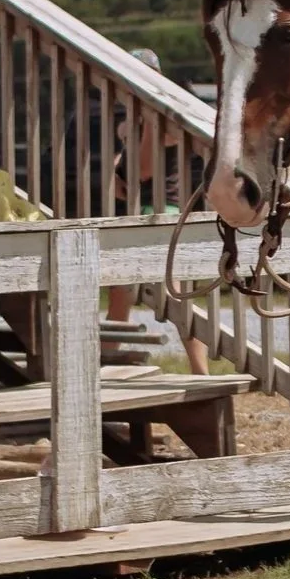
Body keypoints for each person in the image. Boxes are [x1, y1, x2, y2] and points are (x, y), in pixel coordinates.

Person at [108, 48, 209, 376]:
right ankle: (105, 362)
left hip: (163, 211)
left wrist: (130, 157)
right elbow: (128, 171)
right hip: (141, 210)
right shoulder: (133, 120)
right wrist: (118, 168)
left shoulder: (161, 119)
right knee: (120, 292)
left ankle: (200, 369)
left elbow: (145, 170)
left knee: (175, 296)